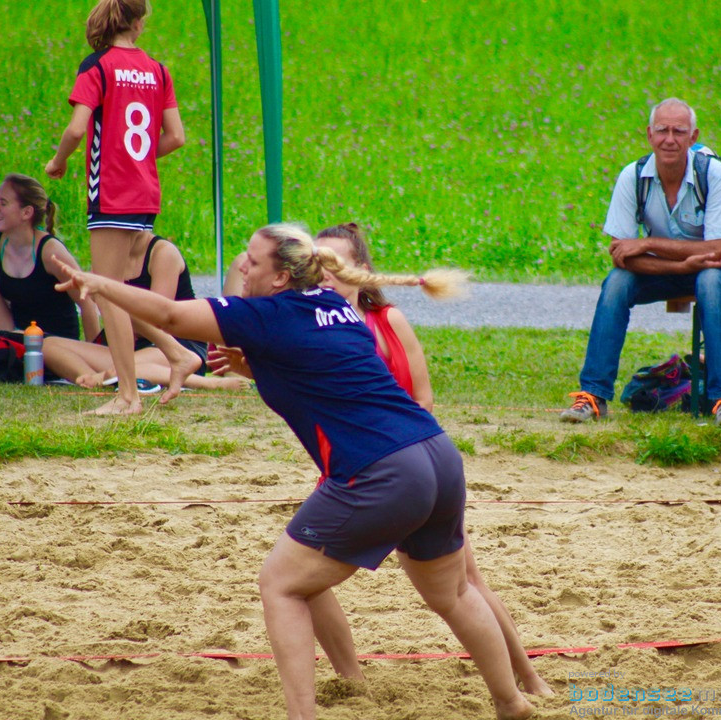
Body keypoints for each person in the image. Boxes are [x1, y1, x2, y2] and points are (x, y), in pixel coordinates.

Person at [53, 223, 536, 720]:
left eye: (254, 261)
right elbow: (323, 370)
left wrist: (99, 283)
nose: (242, 265)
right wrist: (252, 369)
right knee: (453, 593)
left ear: (282, 277)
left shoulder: (264, 314)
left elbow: (173, 314)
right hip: (435, 454)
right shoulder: (337, 307)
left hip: (382, 470)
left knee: (281, 584)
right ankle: (510, 701)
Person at [214, 222, 551, 695]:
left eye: (334, 263)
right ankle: (351, 677)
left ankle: (529, 679)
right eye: (317, 262)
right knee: (304, 580)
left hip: (402, 464)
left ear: (360, 272)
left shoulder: (384, 321)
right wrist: (250, 366)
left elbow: (421, 401)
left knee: (465, 582)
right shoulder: (303, 319)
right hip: (355, 471)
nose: (325, 273)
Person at [560, 98, 721, 426]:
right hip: (676, 268)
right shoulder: (632, 176)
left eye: (679, 131)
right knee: (617, 282)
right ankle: (592, 395)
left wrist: (647, 243)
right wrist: (681, 266)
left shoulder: (714, 172)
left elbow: (718, 250)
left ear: (694, 137)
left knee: (709, 279)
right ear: (649, 135)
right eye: (662, 130)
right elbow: (621, 255)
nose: (670, 139)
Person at [45, 0, 191, 415]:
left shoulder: (98, 66)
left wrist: (59, 162)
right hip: (144, 193)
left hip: (111, 192)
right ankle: (175, 353)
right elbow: (176, 136)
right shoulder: (158, 70)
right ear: (139, 23)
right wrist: (140, 161)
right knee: (117, 292)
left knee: (106, 291)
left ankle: (128, 397)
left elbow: (77, 127)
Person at [42, 231, 247, 392]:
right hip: (131, 345)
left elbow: (159, 320)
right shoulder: (110, 257)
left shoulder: (162, 253)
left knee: (125, 369)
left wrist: (110, 298)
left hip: (172, 343)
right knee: (48, 345)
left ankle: (204, 383)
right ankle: (95, 379)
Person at [0, 174, 99, 342]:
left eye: (3, 203)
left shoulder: (50, 252)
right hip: (15, 331)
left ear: (26, 212)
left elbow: (87, 302)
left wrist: (93, 351)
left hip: (52, 341)